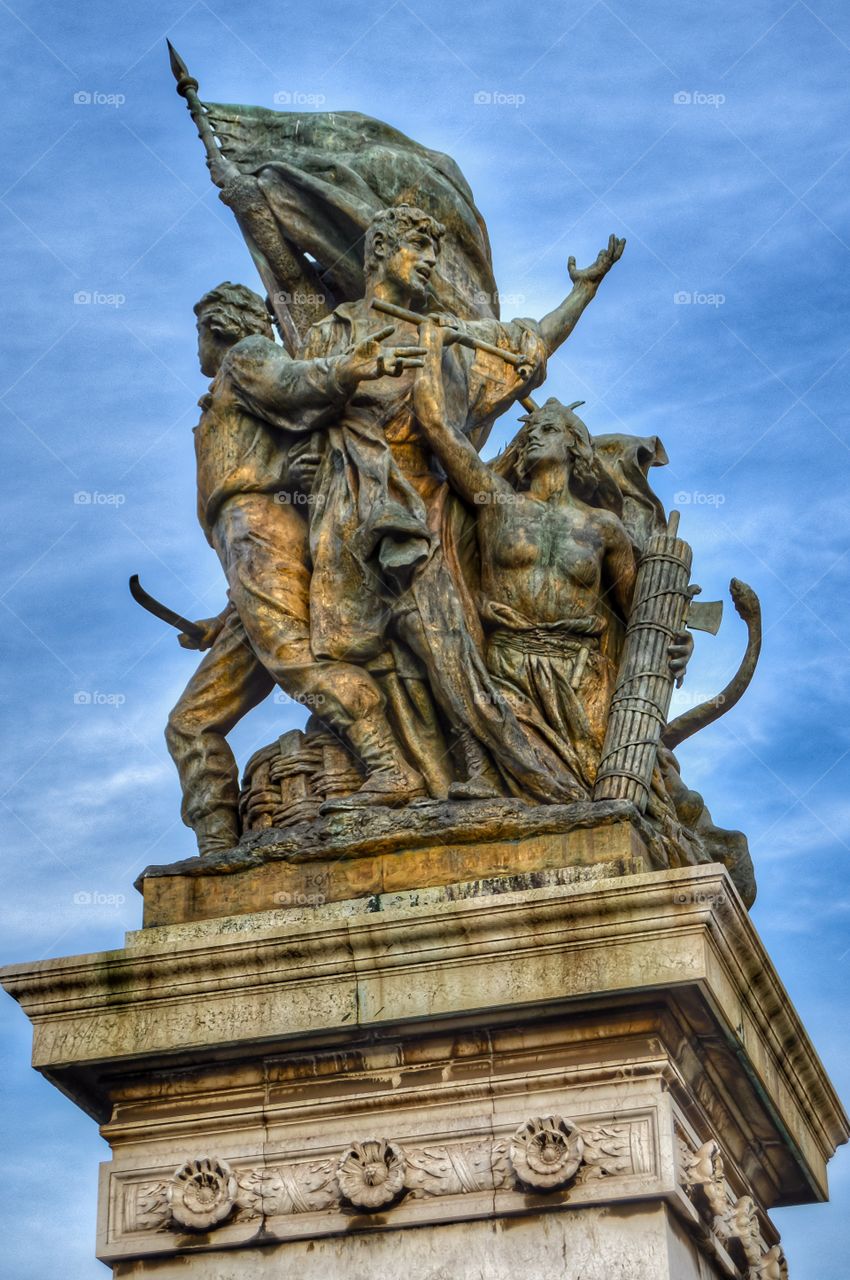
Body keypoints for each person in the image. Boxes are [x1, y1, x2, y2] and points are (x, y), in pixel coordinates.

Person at [293, 205, 627, 802]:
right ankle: (395, 773)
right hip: (345, 509)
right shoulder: (334, 332)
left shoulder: (449, 342)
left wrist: (584, 291)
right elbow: (294, 407)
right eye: (416, 250)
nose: (427, 263)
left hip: (422, 515)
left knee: (446, 650)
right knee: (357, 655)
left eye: (433, 254)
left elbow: (531, 341)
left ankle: (494, 774)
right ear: (378, 254)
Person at [165, 282, 431, 854]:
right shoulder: (227, 387)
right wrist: (222, 618)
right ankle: (218, 847)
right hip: (249, 551)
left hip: (260, 531)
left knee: (298, 661)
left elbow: (292, 383)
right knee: (191, 721)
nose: (197, 349)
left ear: (218, 328)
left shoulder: (247, 355)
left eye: (198, 334)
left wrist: (349, 368)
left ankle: (391, 768)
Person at [412, 319, 690, 792]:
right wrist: (430, 345)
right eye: (532, 430)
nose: (535, 436)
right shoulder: (495, 502)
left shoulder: (605, 529)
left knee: (606, 796)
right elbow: (436, 425)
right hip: (506, 675)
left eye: (548, 428)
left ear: (574, 445)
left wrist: (675, 645)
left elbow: (637, 621)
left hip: (583, 681)